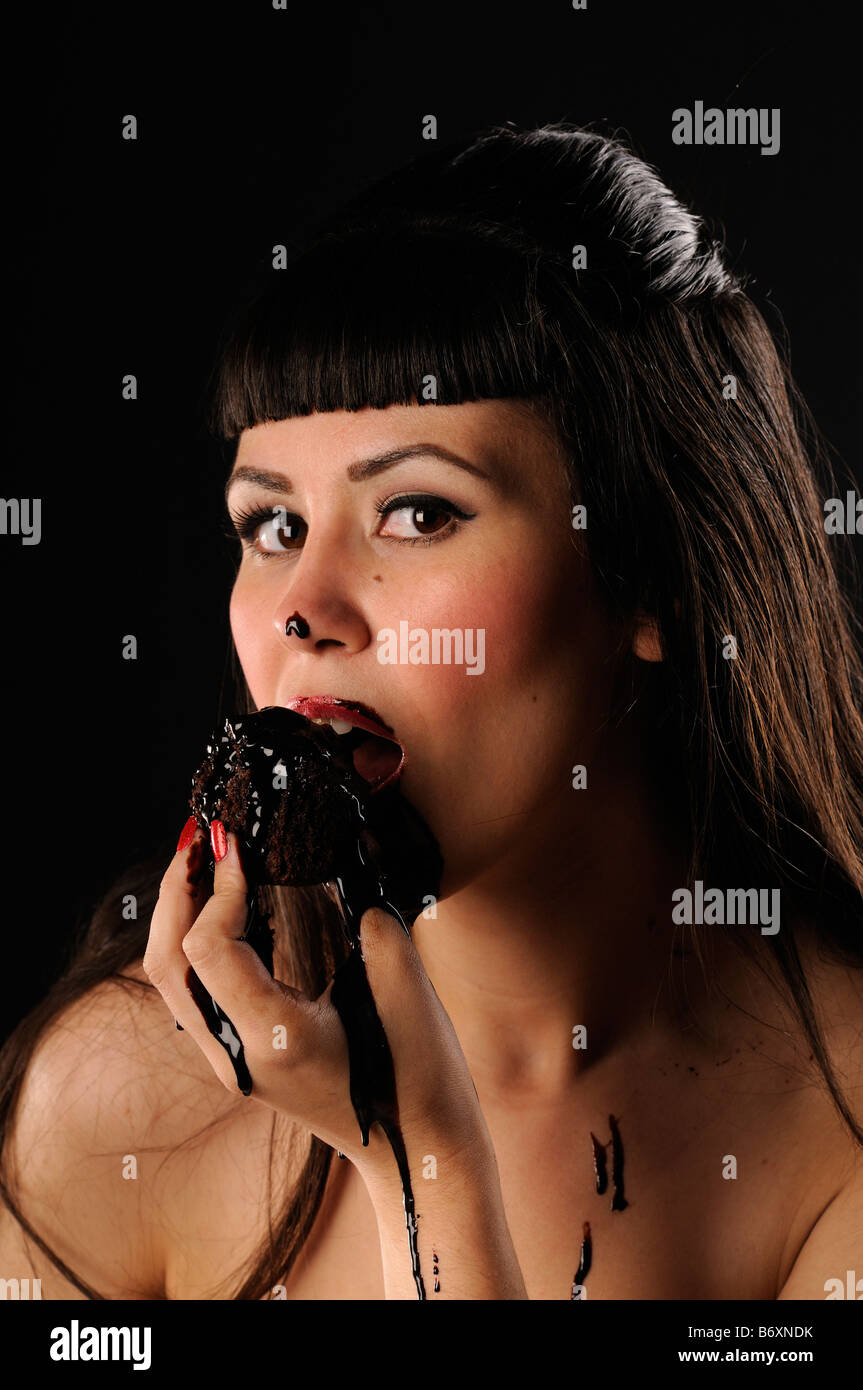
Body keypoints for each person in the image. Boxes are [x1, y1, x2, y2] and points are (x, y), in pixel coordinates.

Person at [1, 122, 861, 1300]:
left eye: (415, 512)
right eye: (273, 525)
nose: (304, 610)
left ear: (650, 577)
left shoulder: (839, 1134)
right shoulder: (117, 1109)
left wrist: (427, 1168)